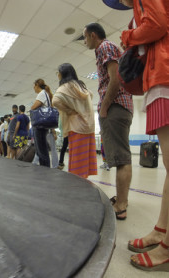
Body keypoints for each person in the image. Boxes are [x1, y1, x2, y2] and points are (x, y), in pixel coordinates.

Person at [103, 0, 169, 271]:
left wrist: (128, 36)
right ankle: (162, 230)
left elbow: (158, 24)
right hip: (158, 76)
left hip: (165, 74)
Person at [83, 22, 133, 219]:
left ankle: (121, 206)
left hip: (115, 107)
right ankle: (122, 198)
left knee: (121, 158)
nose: (84, 41)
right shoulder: (105, 49)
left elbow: (115, 79)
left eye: (85, 37)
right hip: (121, 107)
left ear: (93, 35)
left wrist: (104, 107)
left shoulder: (105, 47)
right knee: (122, 157)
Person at [53, 63, 97, 178]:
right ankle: (84, 181)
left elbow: (55, 101)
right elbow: (90, 95)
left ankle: (78, 186)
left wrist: (70, 111)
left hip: (76, 127)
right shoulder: (81, 85)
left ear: (62, 74)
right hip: (89, 126)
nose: (58, 75)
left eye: (58, 73)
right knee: (85, 160)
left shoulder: (65, 87)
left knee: (77, 161)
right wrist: (80, 107)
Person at [31, 79, 51, 167]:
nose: (34, 88)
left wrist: (31, 109)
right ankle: (45, 168)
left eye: (34, 86)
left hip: (39, 126)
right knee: (43, 149)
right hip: (44, 125)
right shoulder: (46, 93)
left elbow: (33, 107)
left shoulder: (42, 94)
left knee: (41, 150)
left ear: (37, 85)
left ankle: (45, 169)